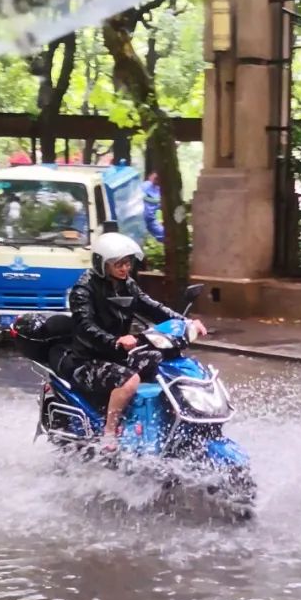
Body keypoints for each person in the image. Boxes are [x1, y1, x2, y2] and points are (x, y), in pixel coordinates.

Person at [63, 231, 207, 451]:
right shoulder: (84, 289)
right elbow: (85, 326)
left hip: (119, 353)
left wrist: (187, 322)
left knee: (163, 364)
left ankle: (160, 422)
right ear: (102, 264)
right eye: (118, 264)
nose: (124, 268)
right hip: (89, 358)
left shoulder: (127, 284)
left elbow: (153, 307)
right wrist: (115, 341)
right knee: (128, 381)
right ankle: (109, 435)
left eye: (127, 263)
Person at [142, 171, 164, 242]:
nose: (156, 179)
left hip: (150, 219)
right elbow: (140, 196)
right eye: (155, 177)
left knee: (162, 233)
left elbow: (161, 204)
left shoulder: (160, 190)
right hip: (138, 218)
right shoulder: (145, 185)